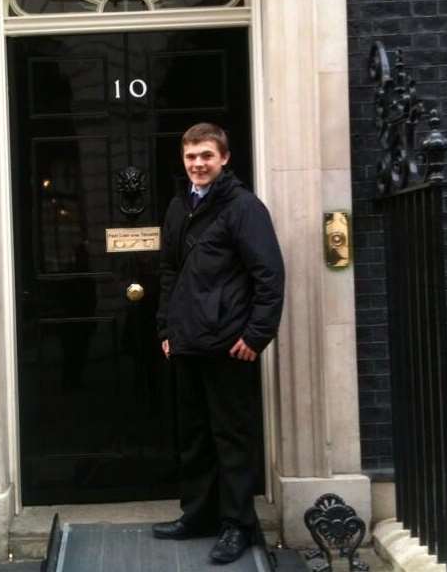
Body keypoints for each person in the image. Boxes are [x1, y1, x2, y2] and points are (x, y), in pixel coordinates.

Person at [153, 123, 285, 564]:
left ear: (224, 158)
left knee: (232, 438)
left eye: (206, 156)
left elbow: (269, 276)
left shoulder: (245, 208)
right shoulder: (177, 208)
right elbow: (170, 273)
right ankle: (198, 515)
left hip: (230, 344)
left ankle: (237, 525)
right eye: (191, 157)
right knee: (194, 438)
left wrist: (256, 335)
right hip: (187, 341)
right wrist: (166, 330)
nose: (198, 164)